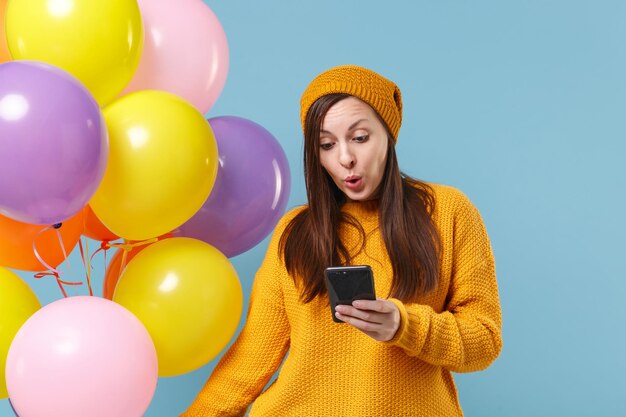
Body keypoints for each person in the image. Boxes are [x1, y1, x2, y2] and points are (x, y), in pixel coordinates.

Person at [181, 65, 502, 417]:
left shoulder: (448, 211)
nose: (345, 157)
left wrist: (404, 325)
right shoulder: (295, 232)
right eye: (327, 144)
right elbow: (250, 358)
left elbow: (484, 340)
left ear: (388, 134)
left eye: (360, 138)